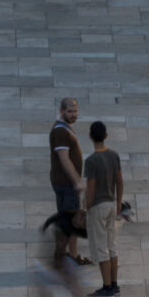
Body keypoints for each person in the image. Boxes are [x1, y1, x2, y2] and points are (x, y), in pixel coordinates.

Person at [83, 120, 124, 297]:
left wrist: (86, 208)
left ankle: (106, 286)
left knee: (100, 248)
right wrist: (119, 201)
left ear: (90, 136)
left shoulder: (91, 161)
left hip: (97, 207)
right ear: (106, 136)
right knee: (111, 246)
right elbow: (119, 181)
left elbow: (90, 187)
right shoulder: (114, 155)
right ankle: (114, 284)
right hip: (111, 204)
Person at [49, 97, 87, 267]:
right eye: (70, 111)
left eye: (75, 111)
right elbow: (64, 159)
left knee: (66, 219)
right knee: (73, 221)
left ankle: (63, 253)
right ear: (61, 111)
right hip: (66, 184)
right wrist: (77, 181)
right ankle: (71, 255)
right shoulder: (60, 132)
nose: (73, 115)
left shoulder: (64, 129)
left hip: (63, 183)